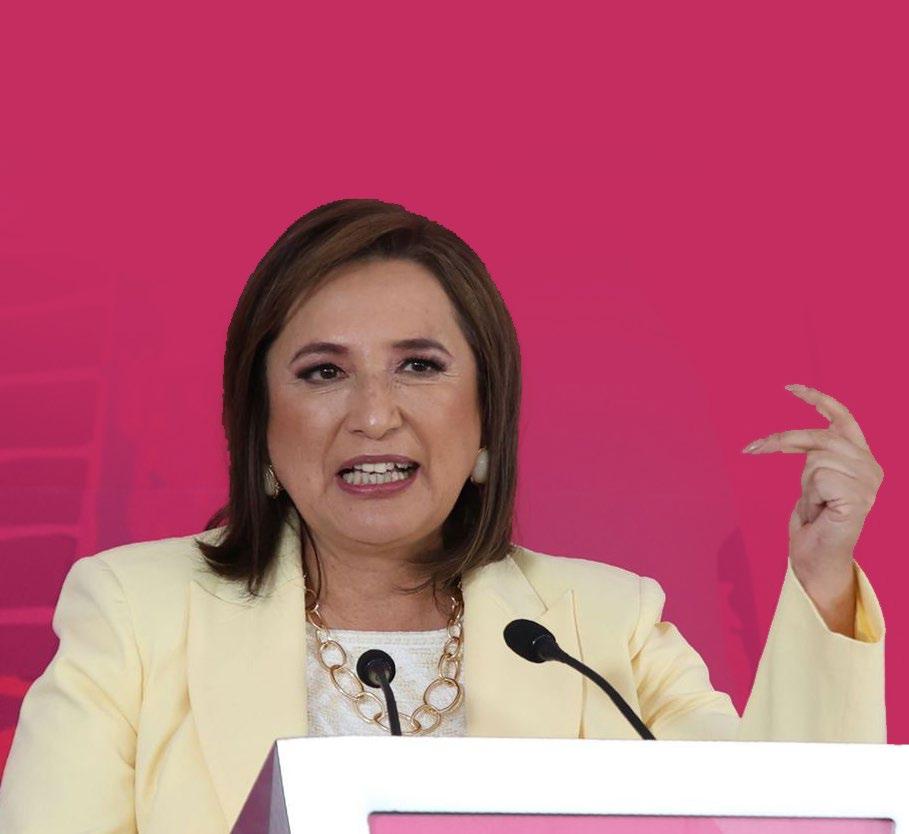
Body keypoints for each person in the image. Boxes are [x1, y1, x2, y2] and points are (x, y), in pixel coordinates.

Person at [0, 199, 886, 834]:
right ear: (260, 426)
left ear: (486, 418)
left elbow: (787, 816)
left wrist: (821, 578)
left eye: (419, 366)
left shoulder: (601, 627)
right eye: (323, 372)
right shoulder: (135, 612)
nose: (373, 414)